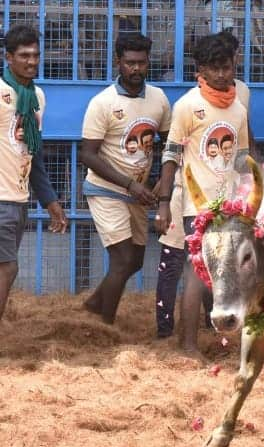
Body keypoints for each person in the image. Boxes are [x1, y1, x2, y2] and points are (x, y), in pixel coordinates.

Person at [154, 32, 249, 356]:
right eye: (215, 68)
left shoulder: (237, 108)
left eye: (227, 66)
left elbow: (241, 155)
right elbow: (170, 156)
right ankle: (188, 344)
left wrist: (249, 193)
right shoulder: (187, 106)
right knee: (197, 274)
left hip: (231, 205)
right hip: (197, 206)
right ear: (201, 70)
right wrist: (165, 204)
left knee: (222, 274)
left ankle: (210, 337)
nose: (222, 74)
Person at [79, 32, 171, 325]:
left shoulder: (159, 98)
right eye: (130, 63)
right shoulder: (102, 102)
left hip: (139, 193)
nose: (136, 69)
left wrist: (161, 181)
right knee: (122, 259)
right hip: (105, 189)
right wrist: (130, 184)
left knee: (135, 261)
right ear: (118, 62)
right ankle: (104, 326)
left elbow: (170, 145)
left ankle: (94, 304)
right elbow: (88, 155)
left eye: (142, 63)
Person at [0, 25, 67, 321]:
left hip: (18, 198)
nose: (32, 61)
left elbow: (33, 151)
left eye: (36, 55)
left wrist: (50, 201)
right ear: (8, 57)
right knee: (8, 267)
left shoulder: (36, 95)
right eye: (24, 55)